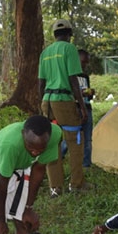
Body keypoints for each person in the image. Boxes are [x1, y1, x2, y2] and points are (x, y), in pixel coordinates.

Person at [38, 19, 89, 197]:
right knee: (75, 141)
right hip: (64, 101)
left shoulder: (45, 53)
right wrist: (82, 107)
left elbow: (41, 83)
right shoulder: (69, 49)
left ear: (54, 35)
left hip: (47, 101)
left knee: (52, 142)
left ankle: (55, 187)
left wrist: (41, 105)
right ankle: (76, 184)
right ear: (69, 34)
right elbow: (74, 80)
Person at [76, 49, 94, 167]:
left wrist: (90, 93)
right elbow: (71, 93)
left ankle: (86, 164)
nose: (85, 66)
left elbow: (88, 96)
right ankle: (60, 156)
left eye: (86, 63)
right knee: (71, 136)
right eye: (83, 62)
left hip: (87, 108)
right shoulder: (70, 75)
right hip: (75, 108)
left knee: (88, 138)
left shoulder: (85, 76)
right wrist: (81, 93)